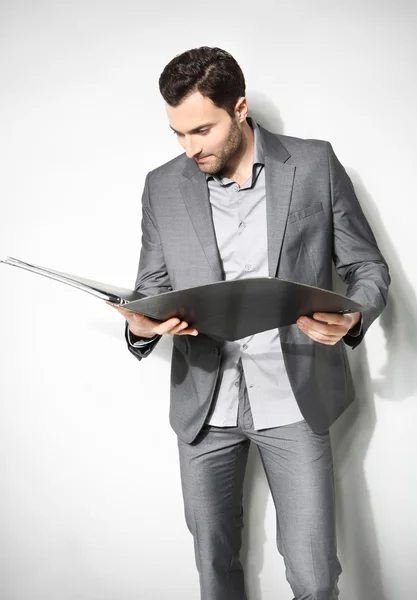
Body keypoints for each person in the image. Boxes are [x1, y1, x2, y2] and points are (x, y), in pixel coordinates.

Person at [110, 46, 390, 600]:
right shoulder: (161, 186)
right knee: (215, 571)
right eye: (178, 134)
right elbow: (151, 287)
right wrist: (141, 325)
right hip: (203, 404)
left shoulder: (313, 164)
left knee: (313, 576)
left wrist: (351, 316)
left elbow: (366, 267)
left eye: (201, 131)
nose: (189, 148)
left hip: (295, 393)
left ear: (239, 109)